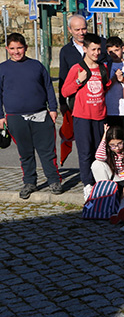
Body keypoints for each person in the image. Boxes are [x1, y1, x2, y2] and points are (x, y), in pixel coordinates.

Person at [0, 33, 62, 198]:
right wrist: (1, 116)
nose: (16, 52)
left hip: (41, 115)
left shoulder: (36, 66)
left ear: (25, 47)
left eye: (19, 48)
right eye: (12, 48)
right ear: (7, 49)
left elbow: (49, 87)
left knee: (47, 151)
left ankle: (54, 181)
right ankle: (29, 182)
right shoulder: (2, 69)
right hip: (15, 117)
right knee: (25, 152)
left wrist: (53, 108)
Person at [61, 33, 114, 196]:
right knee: (85, 152)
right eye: (93, 49)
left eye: (99, 49)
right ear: (85, 49)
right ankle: (87, 184)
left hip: (100, 116)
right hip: (82, 116)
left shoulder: (102, 68)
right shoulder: (77, 68)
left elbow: (104, 88)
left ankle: (101, 181)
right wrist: (78, 81)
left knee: (101, 152)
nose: (96, 53)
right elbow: (64, 91)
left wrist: (115, 81)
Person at [91, 124, 124, 223]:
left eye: (119, 143)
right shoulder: (108, 152)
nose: (116, 148)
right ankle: (105, 199)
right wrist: (104, 137)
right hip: (115, 181)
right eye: (112, 145)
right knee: (96, 164)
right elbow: (99, 156)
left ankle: (120, 213)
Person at [104, 37, 124, 141]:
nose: (114, 54)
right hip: (110, 110)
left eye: (117, 50)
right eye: (111, 52)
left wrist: (123, 79)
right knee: (111, 139)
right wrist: (114, 79)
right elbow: (104, 87)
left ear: (123, 49)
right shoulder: (106, 66)